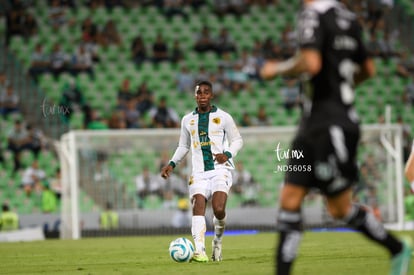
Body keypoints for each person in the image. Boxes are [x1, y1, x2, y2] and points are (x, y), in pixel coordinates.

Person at [259, 1, 412, 274]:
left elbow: (310, 62)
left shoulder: (312, 15)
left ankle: (396, 248)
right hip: (318, 123)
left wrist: (276, 69)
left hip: (330, 126)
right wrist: (340, 87)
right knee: (290, 198)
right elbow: (368, 70)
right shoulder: (348, 18)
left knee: (339, 208)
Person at [160, 80, 243, 262]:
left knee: (219, 209)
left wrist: (227, 153)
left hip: (220, 169)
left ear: (211, 95)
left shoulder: (224, 117)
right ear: (195, 96)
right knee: (198, 204)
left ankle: (217, 242)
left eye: (206, 92)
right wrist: (171, 164)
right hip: (198, 172)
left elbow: (237, 140)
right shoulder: (187, 120)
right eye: (199, 93)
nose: (202, 96)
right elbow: (183, 145)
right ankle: (199, 251)